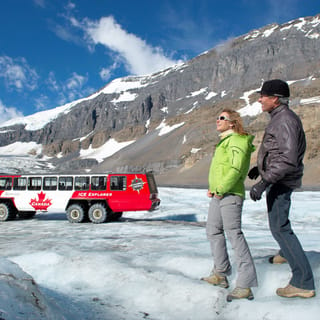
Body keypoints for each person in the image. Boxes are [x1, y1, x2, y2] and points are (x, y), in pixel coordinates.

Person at [249, 79, 315, 298]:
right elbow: (277, 152)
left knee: (280, 227)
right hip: (278, 179)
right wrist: (259, 168)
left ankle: (302, 282)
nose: (259, 99)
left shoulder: (284, 120)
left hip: (281, 181)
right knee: (279, 225)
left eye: (263, 96)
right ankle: (285, 253)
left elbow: (287, 160)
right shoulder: (280, 118)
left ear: (275, 99)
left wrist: (264, 182)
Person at [202, 109, 258, 302]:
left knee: (234, 234)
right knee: (213, 230)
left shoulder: (237, 141)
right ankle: (220, 273)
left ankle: (245, 284)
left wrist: (221, 187)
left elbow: (235, 168)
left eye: (222, 118)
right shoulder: (225, 141)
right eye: (217, 117)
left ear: (233, 123)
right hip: (219, 193)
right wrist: (214, 188)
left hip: (231, 194)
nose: (218, 120)